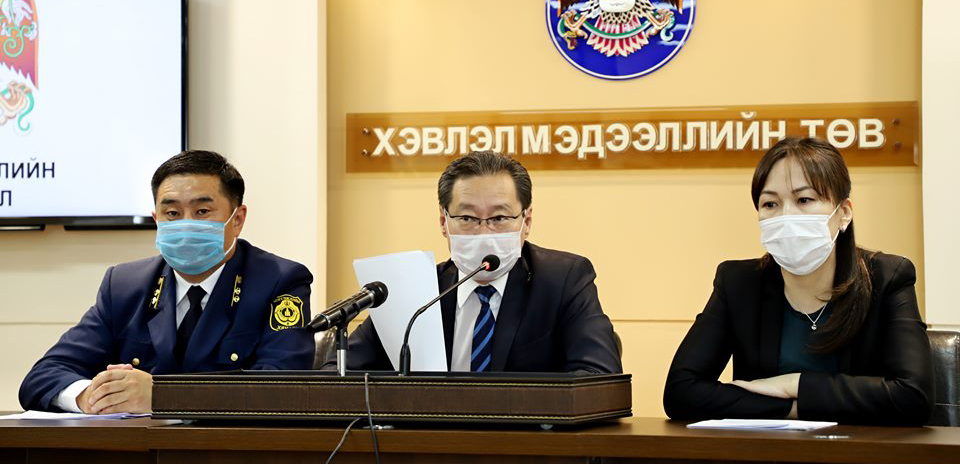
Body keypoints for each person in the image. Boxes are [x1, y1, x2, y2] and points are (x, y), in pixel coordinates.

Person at [663, 137, 933, 425]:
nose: (786, 216)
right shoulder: (738, 283)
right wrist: (790, 409)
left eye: (804, 200)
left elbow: (913, 398)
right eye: (770, 204)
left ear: (843, 213)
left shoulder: (888, 277)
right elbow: (681, 393)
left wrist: (795, 384)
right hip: (770, 449)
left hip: (860, 448)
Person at [19, 150, 315, 414]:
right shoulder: (125, 285)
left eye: (202, 212)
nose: (185, 224)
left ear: (237, 219)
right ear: (156, 220)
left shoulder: (279, 281)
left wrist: (162, 396)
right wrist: (90, 396)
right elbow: (43, 376)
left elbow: (282, 388)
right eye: (172, 213)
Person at [329, 150, 622, 374]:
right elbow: (336, 373)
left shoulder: (563, 280)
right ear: (444, 222)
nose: (484, 232)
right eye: (467, 218)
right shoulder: (416, 293)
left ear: (527, 221)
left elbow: (598, 375)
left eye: (499, 217)